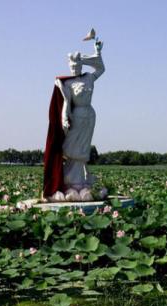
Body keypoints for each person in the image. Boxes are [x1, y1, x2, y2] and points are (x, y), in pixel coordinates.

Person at [43, 39, 105, 201]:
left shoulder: (89, 78)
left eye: (77, 66)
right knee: (70, 147)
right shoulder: (68, 83)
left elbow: (101, 68)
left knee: (84, 148)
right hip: (76, 116)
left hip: (89, 116)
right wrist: (64, 117)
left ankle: (83, 178)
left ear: (81, 66)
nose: (74, 69)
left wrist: (94, 54)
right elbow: (66, 103)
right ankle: (71, 178)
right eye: (72, 66)